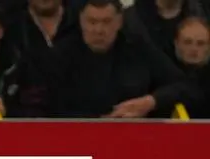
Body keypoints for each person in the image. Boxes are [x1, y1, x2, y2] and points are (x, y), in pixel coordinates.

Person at [51, 0, 192, 119]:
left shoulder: (137, 47)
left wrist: (150, 101)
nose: (99, 30)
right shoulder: (61, 54)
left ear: (119, 22)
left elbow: (181, 85)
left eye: (106, 22)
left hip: (131, 135)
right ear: (81, 21)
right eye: (92, 22)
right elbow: (47, 106)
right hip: (75, 135)